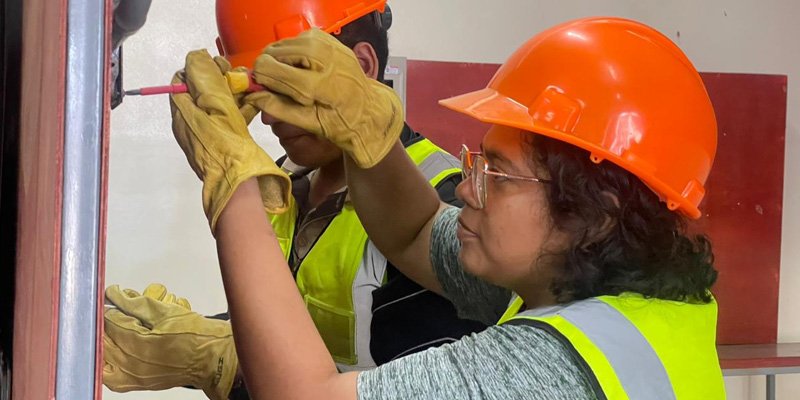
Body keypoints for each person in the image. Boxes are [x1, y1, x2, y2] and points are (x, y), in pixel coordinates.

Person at [108, 16, 727, 399]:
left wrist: (233, 178)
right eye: (475, 162)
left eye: (497, 174)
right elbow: (413, 232)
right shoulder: (597, 297)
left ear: (598, 212)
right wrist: (369, 137)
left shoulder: (557, 369)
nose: (464, 187)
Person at [102, 2, 486, 399]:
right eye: (253, 88)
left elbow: (402, 386)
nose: (267, 117)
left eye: (281, 89)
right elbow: (287, 330)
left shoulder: (449, 204)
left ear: (362, 66)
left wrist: (220, 360)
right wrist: (194, 334)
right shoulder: (284, 177)